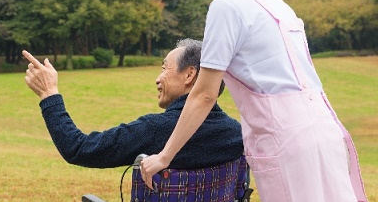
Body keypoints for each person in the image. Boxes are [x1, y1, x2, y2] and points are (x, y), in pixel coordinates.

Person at [140, 0, 370, 202]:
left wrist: (164, 156)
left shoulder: (227, 5)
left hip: (287, 139)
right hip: (323, 130)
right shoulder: (274, 2)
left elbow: (204, 95)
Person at [22, 38, 244, 170]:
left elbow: (78, 149)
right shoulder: (236, 133)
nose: (158, 78)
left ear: (189, 75)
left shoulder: (155, 130)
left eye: (165, 68)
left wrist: (49, 93)